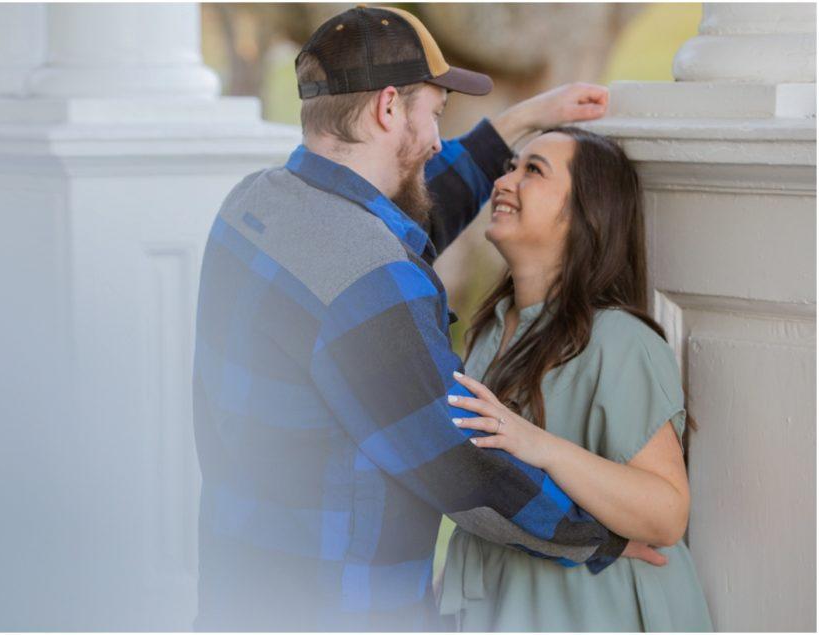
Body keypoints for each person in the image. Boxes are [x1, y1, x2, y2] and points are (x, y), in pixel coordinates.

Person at [192, 5, 657, 631]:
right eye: (434, 115)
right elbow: (461, 465)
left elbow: (398, 222)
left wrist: (521, 123)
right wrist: (598, 539)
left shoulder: (254, 206)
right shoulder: (371, 278)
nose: (438, 139)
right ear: (389, 109)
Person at [437, 126, 714, 631]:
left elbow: (667, 514)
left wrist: (537, 445)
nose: (505, 181)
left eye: (533, 170)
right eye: (510, 166)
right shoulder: (488, 328)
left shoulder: (621, 342)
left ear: (587, 213)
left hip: (591, 611)